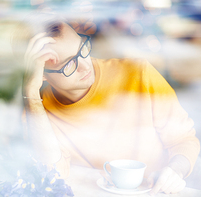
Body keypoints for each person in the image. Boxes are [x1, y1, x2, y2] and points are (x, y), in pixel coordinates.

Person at [12, 13, 200, 195]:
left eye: (82, 49)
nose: (86, 66)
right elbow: (52, 175)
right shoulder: (38, 109)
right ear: (42, 74)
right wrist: (31, 92)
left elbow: (184, 140)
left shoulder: (138, 72)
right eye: (69, 65)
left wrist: (175, 171)